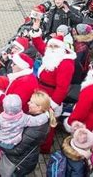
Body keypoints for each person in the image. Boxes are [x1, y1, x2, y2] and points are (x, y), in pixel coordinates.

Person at [31, 18, 76, 153]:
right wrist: (35, 29)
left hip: (50, 97)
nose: (51, 48)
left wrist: (51, 105)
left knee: (48, 125)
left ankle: (45, 148)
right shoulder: (52, 54)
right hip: (41, 92)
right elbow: (39, 44)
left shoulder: (65, 63)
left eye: (55, 46)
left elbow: (62, 88)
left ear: (61, 48)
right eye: (50, 45)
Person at [0, 91, 57, 176]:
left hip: (20, 163)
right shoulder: (36, 117)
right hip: (27, 158)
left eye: (31, 102)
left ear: (39, 107)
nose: (28, 103)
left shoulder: (35, 129)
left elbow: (17, 151)